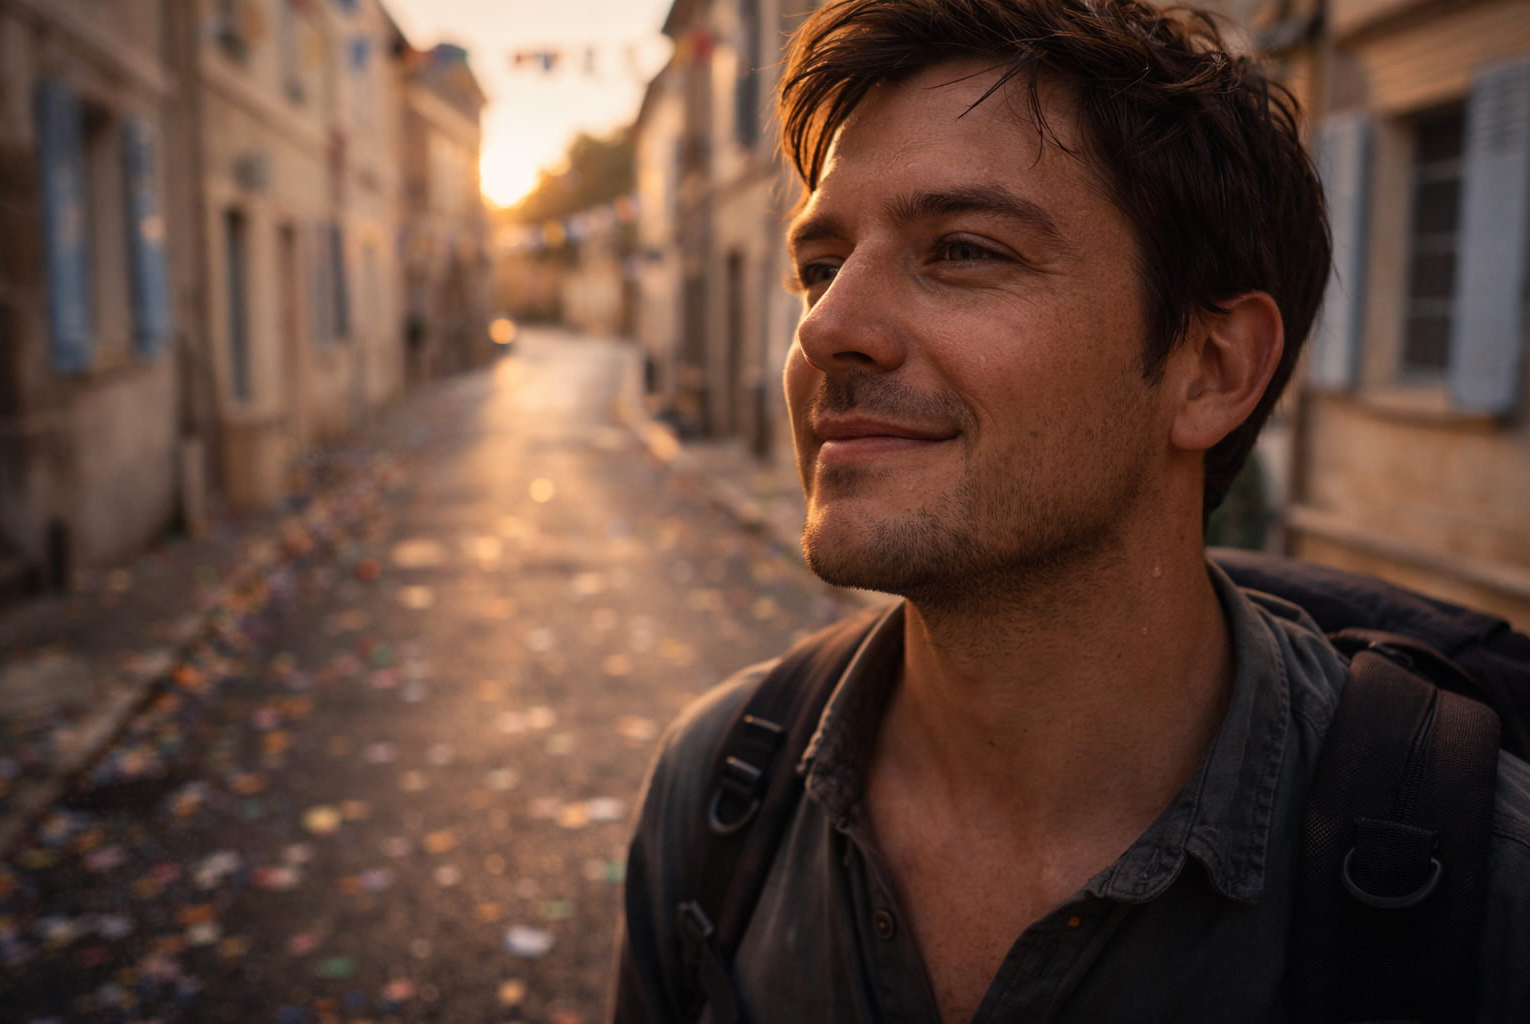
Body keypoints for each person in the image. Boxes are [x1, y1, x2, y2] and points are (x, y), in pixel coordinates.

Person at [613, 1, 1530, 1021]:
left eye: (962, 249)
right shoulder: (718, 792)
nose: (827, 326)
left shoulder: (1486, 893)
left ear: (1211, 370)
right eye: (821, 267)